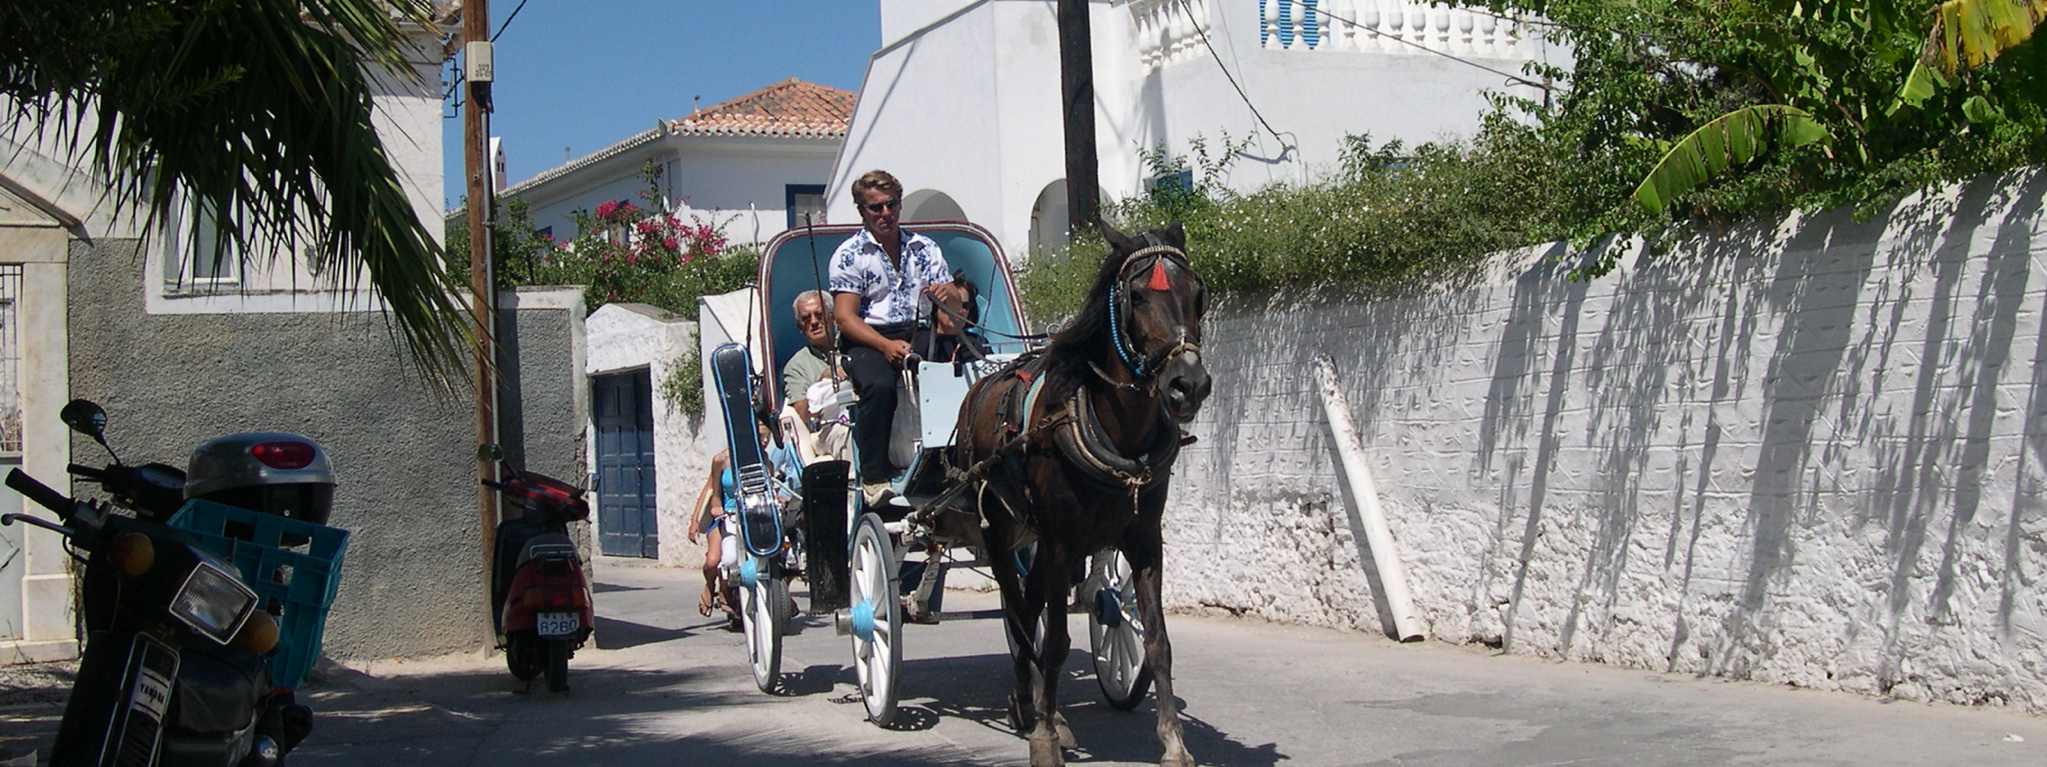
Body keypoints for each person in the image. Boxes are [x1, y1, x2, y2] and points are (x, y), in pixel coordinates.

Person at [828, 170, 964, 506]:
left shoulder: (924, 248)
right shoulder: (850, 254)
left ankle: (956, 459)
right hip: (868, 336)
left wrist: (951, 295)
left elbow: (954, 307)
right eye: (876, 208)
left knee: (957, 370)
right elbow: (844, 316)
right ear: (862, 211)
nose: (885, 213)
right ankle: (875, 476)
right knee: (878, 385)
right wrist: (885, 346)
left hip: (917, 327)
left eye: (891, 205)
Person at [784, 289, 850, 461]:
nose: (814, 322)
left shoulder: (852, 346)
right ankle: (858, 484)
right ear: (800, 327)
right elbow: (802, 415)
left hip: (862, 412)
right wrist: (821, 382)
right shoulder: (796, 366)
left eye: (819, 315)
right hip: (825, 430)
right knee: (847, 432)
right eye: (806, 318)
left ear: (832, 317)